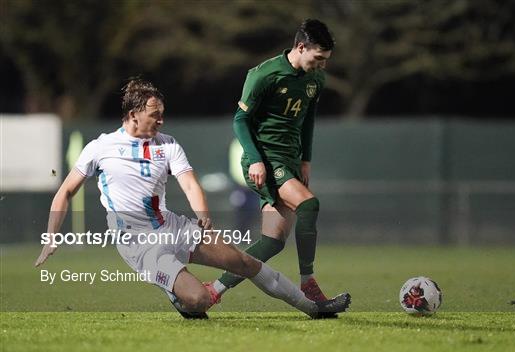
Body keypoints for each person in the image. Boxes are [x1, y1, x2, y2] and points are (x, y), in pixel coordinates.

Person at [34, 78, 350, 319]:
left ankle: (312, 308)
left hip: (173, 226)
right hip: (136, 241)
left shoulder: (168, 144)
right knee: (198, 301)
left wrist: (202, 214)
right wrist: (51, 235)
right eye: (154, 115)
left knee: (243, 261)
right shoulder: (99, 147)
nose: (161, 121)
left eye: (162, 114)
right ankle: (177, 292)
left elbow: (189, 182)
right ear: (132, 115)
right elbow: (65, 190)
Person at [208, 19, 336, 304]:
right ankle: (308, 283)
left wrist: (306, 160)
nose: (322, 65)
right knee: (309, 204)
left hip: (290, 162)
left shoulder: (316, 79)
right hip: (266, 159)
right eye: (318, 58)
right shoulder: (265, 73)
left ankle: (213, 290)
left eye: (326, 60)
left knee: (272, 242)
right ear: (300, 47)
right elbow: (240, 120)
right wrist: (254, 160)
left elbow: (308, 121)